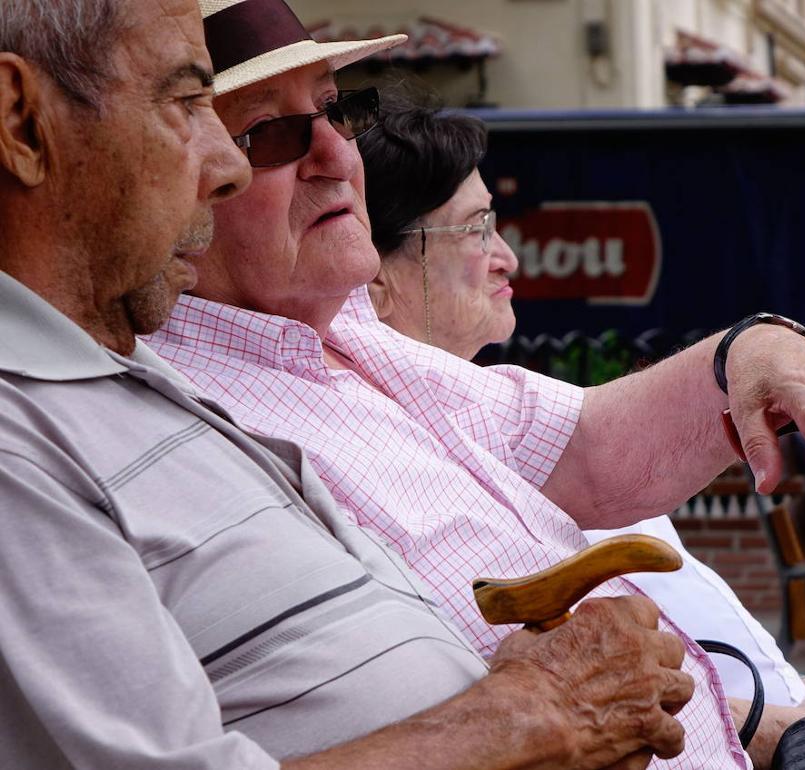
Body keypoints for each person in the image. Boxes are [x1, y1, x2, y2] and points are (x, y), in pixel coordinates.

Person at [145, 2, 805, 768]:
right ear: (189, 170)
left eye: (337, 112)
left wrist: (754, 351)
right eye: (273, 133)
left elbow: (585, 447)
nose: (337, 156)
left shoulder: (345, 334)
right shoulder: (161, 412)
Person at [0, 1, 714, 767]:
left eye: (339, 112)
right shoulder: (38, 431)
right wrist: (536, 716)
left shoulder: (136, 374)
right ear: (22, 122)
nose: (227, 164)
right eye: (188, 105)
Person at [360, 98, 805, 709]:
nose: (508, 258)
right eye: (475, 229)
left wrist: (799, 700)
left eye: (495, 223)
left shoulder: (513, 418)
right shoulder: (396, 459)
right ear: (371, 273)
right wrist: (776, 722)